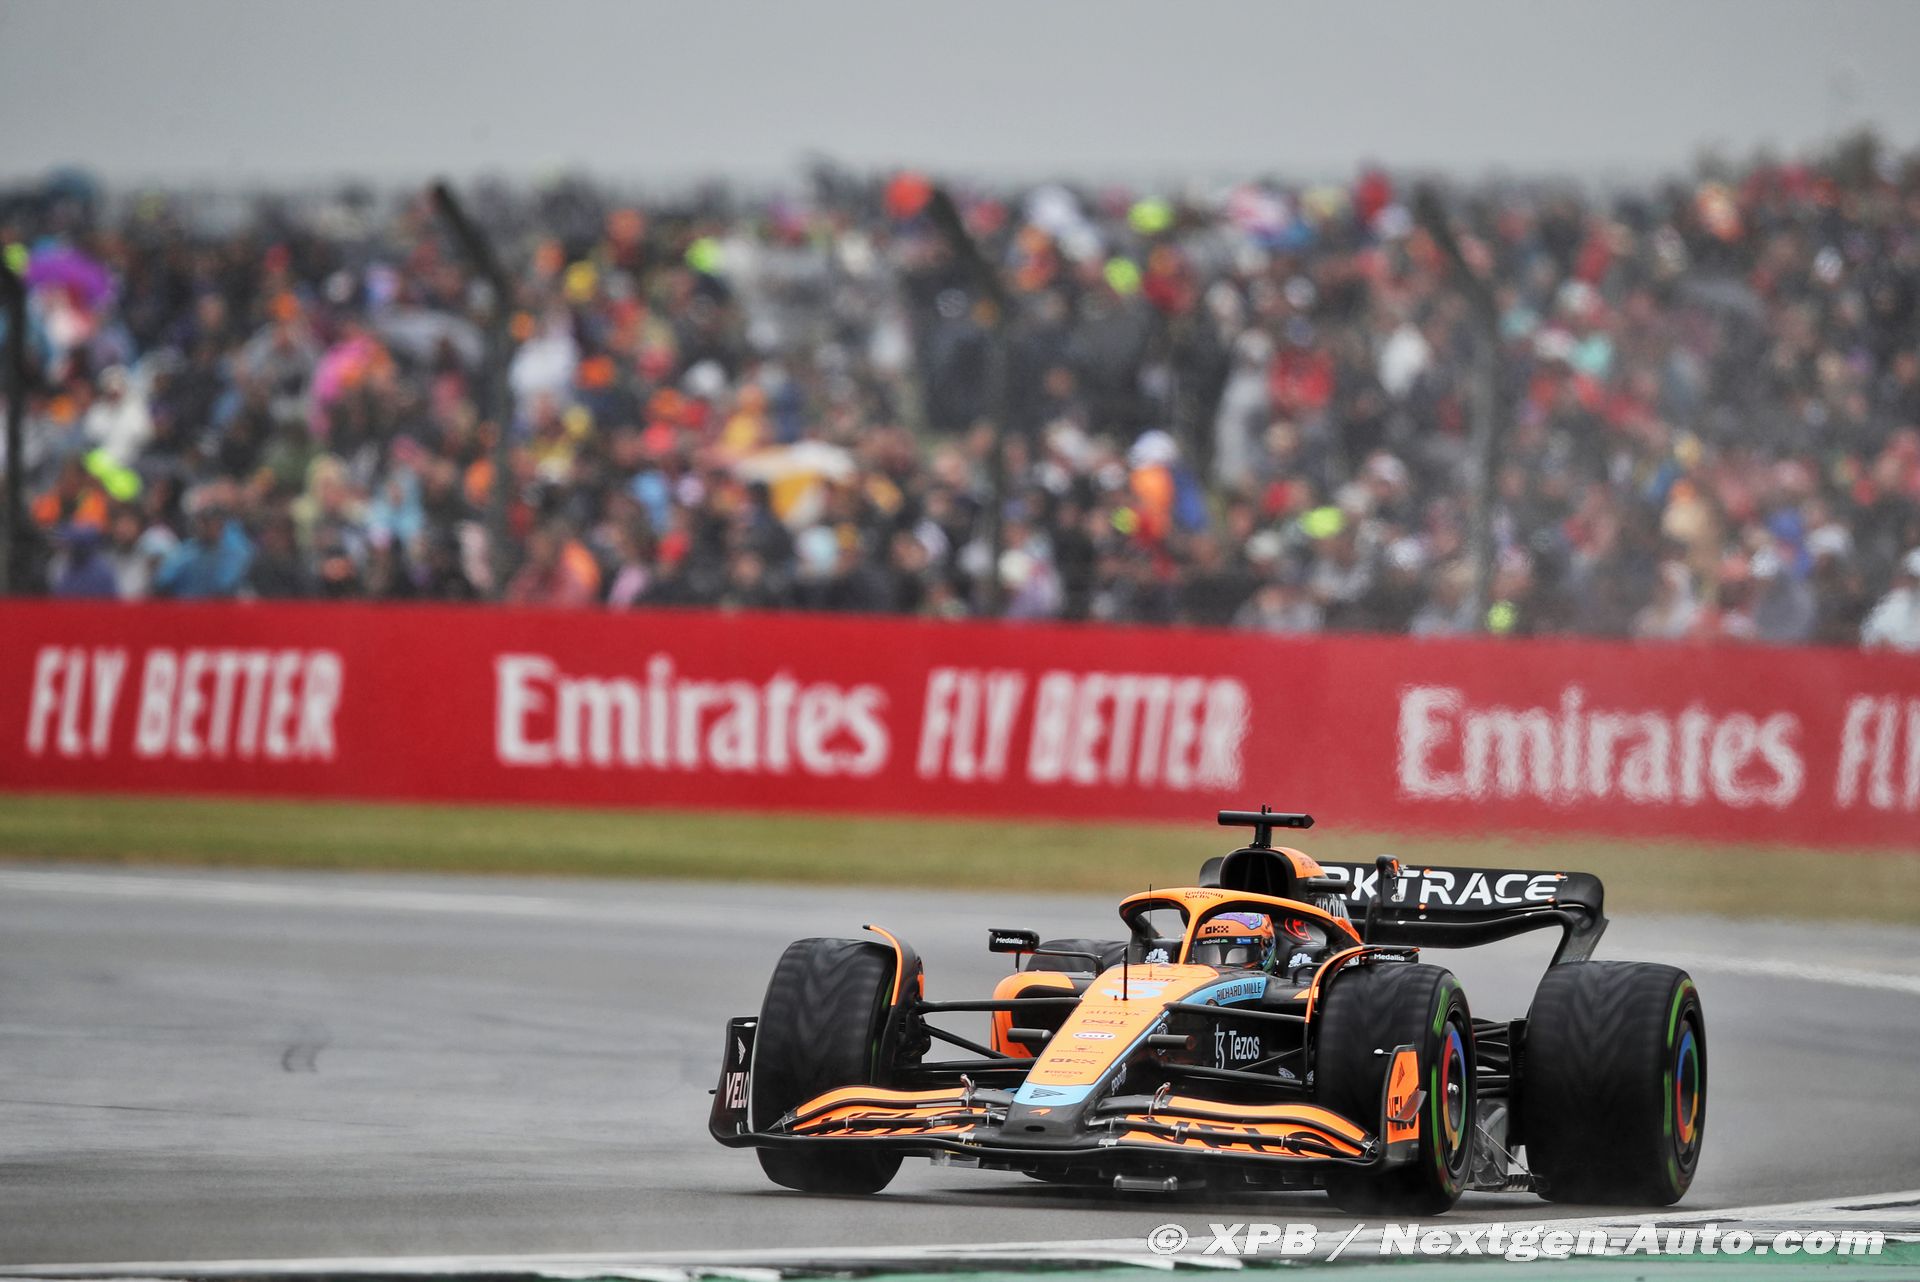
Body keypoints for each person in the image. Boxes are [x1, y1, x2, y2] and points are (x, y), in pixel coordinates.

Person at [1861, 548, 1920, 651]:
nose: (1914, 583)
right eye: (1911, 577)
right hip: (1893, 659)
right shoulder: (1895, 601)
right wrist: (1880, 639)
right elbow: (1871, 633)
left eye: (1916, 578)